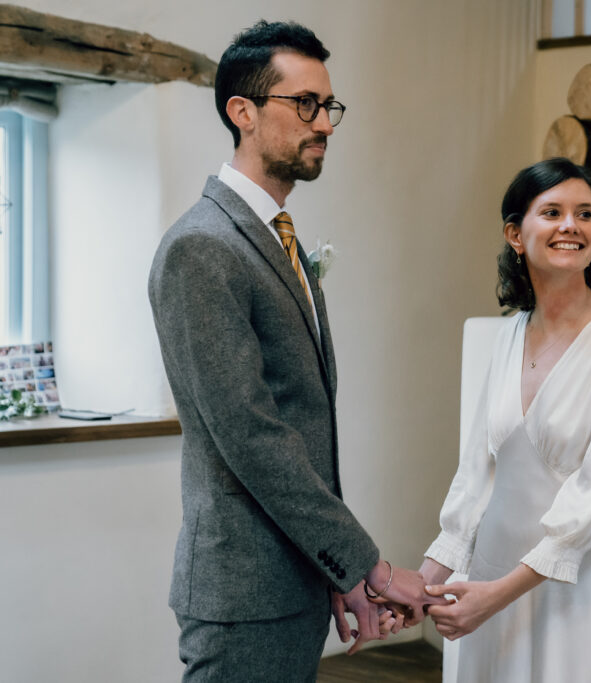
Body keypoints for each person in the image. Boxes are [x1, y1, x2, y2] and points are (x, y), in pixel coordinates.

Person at [148, 20, 440, 681]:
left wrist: (330, 568)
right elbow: (253, 434)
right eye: (304, 104)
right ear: (242, 112)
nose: (326, 124)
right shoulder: (204, 247)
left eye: (329, 106)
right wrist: (369, 564)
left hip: (291, 580)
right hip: (244, 590)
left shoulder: (278, 237)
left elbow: (300, 423)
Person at [420, 158, 591, 681]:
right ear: (515, 232)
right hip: (491, 572)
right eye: (552, 211)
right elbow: (477, 472)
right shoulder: (507, 336)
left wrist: (498, 595)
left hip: (582, 583)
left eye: (586, 213)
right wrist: (423, 585)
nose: (572, 226)